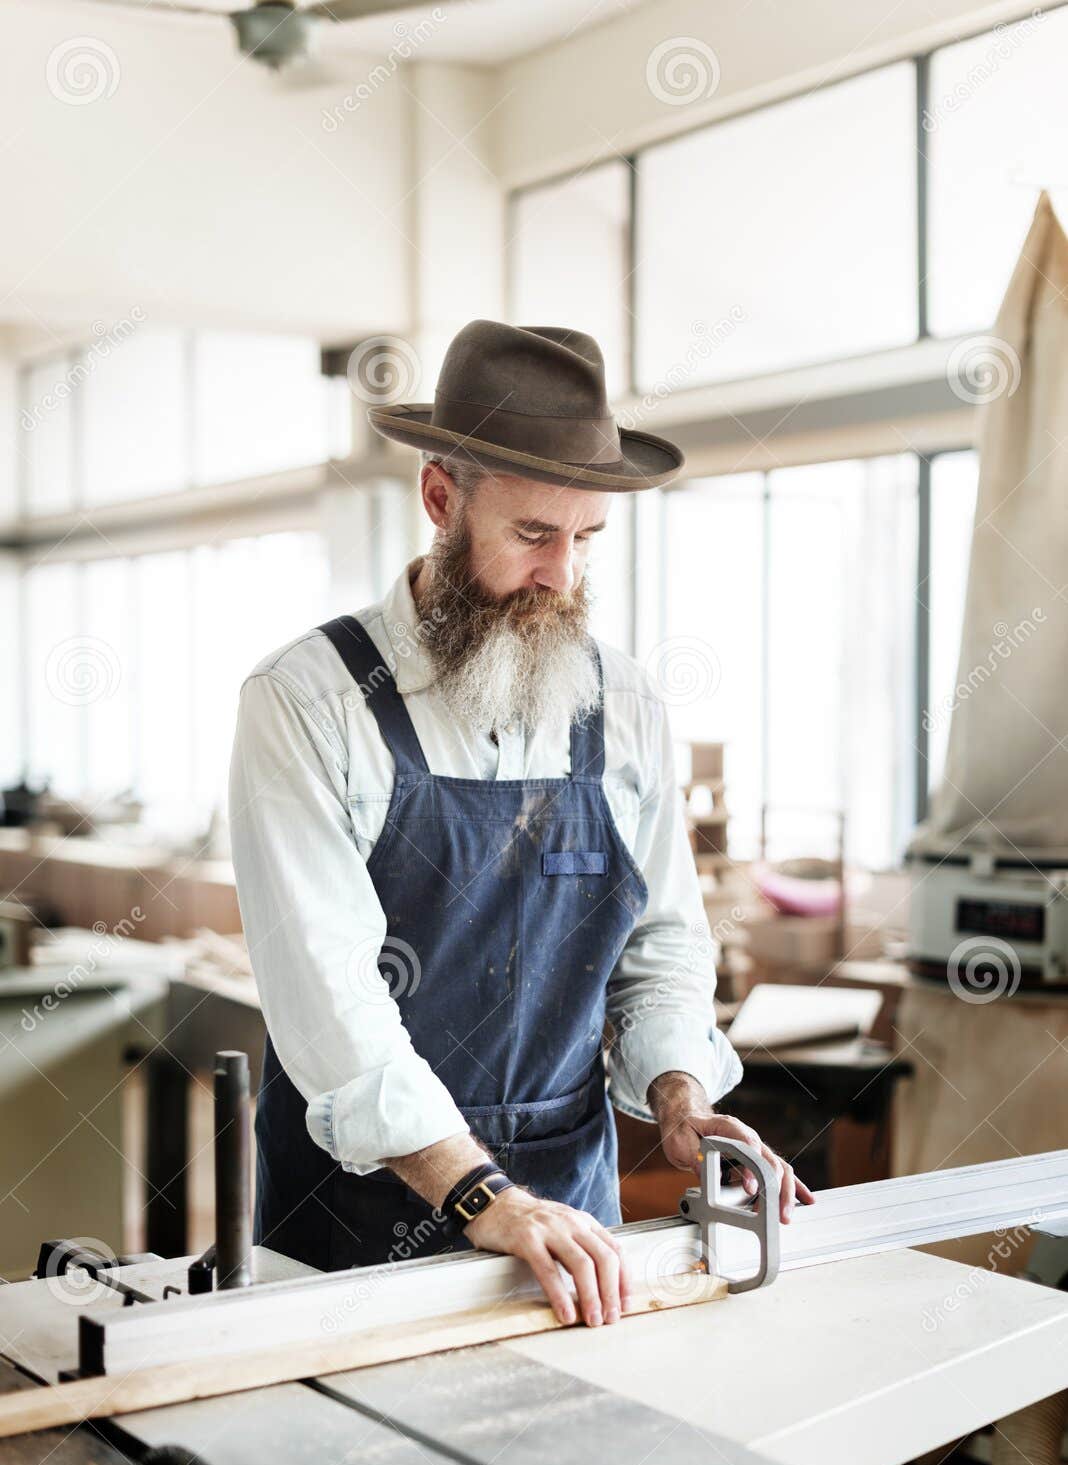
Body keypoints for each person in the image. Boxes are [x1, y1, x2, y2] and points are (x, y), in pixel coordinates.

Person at [229, 319, 812, 1328]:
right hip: (360, 1222)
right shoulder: (306, 702)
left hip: (566, 1221)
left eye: (585, 540)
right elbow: (332, 1003)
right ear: (441, 499)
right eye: (534, 536)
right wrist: (478, 1194)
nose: (562, 577)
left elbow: (664, 941)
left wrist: (678, 1092)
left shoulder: (622, 703)